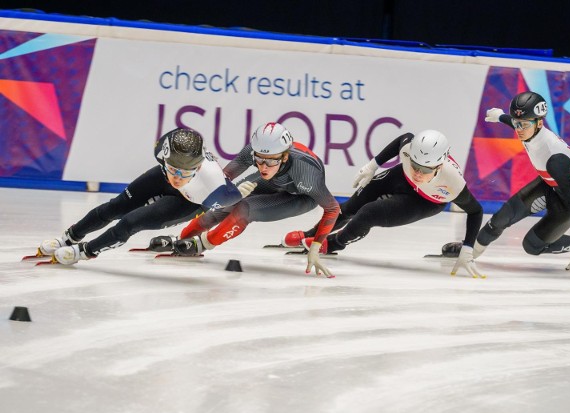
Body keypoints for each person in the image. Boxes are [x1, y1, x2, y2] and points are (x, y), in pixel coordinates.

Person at [283, 129, 486, 278]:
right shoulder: (408, 148)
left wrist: (468, 248)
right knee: (349, 207)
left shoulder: (453, 182)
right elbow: (402, 137)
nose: (417, 173)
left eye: (425, 170)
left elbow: (476, 211)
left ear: (439, 166)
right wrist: (373, 166)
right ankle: (313, 234)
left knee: (369, 213)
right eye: (415, 165)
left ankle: (334, 243)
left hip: (425, 201)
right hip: (399, 177)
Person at [447, 91, 570, 280]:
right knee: (500, 219)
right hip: (549, 184)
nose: (519, 129)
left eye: (524, 125)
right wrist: (500, 117)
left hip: (569, 202)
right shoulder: (528, 126)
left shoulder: (555, 157)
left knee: (532, 246)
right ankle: (470, 252)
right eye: (516, 123)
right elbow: (518, 121)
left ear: (539, 123)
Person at [152, 122, 340, 278]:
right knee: (230, 200)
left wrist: (315, 246)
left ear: (284, 156)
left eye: (271, 161)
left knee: (245, 208)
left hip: (301, 197)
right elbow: (224, 178)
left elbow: (332, 209)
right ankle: (183, 237)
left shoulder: (307, 175)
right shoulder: (254, 151)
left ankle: (201, 244)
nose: (264, 167)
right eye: (259, 160)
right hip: (277, 182)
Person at [37, 128, 243, 265]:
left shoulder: (215, 185)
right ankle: (69, 238)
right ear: (164, 158)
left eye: (185, 173)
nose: (178, 178)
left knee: (129, 222)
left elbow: (233, 200)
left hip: (189, 201)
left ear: (197, 167)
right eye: (173, 169)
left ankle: (85, 251)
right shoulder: (161, 149)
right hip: (161, 179)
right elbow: (174, 165)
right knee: (113, 207)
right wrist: (171, 176)